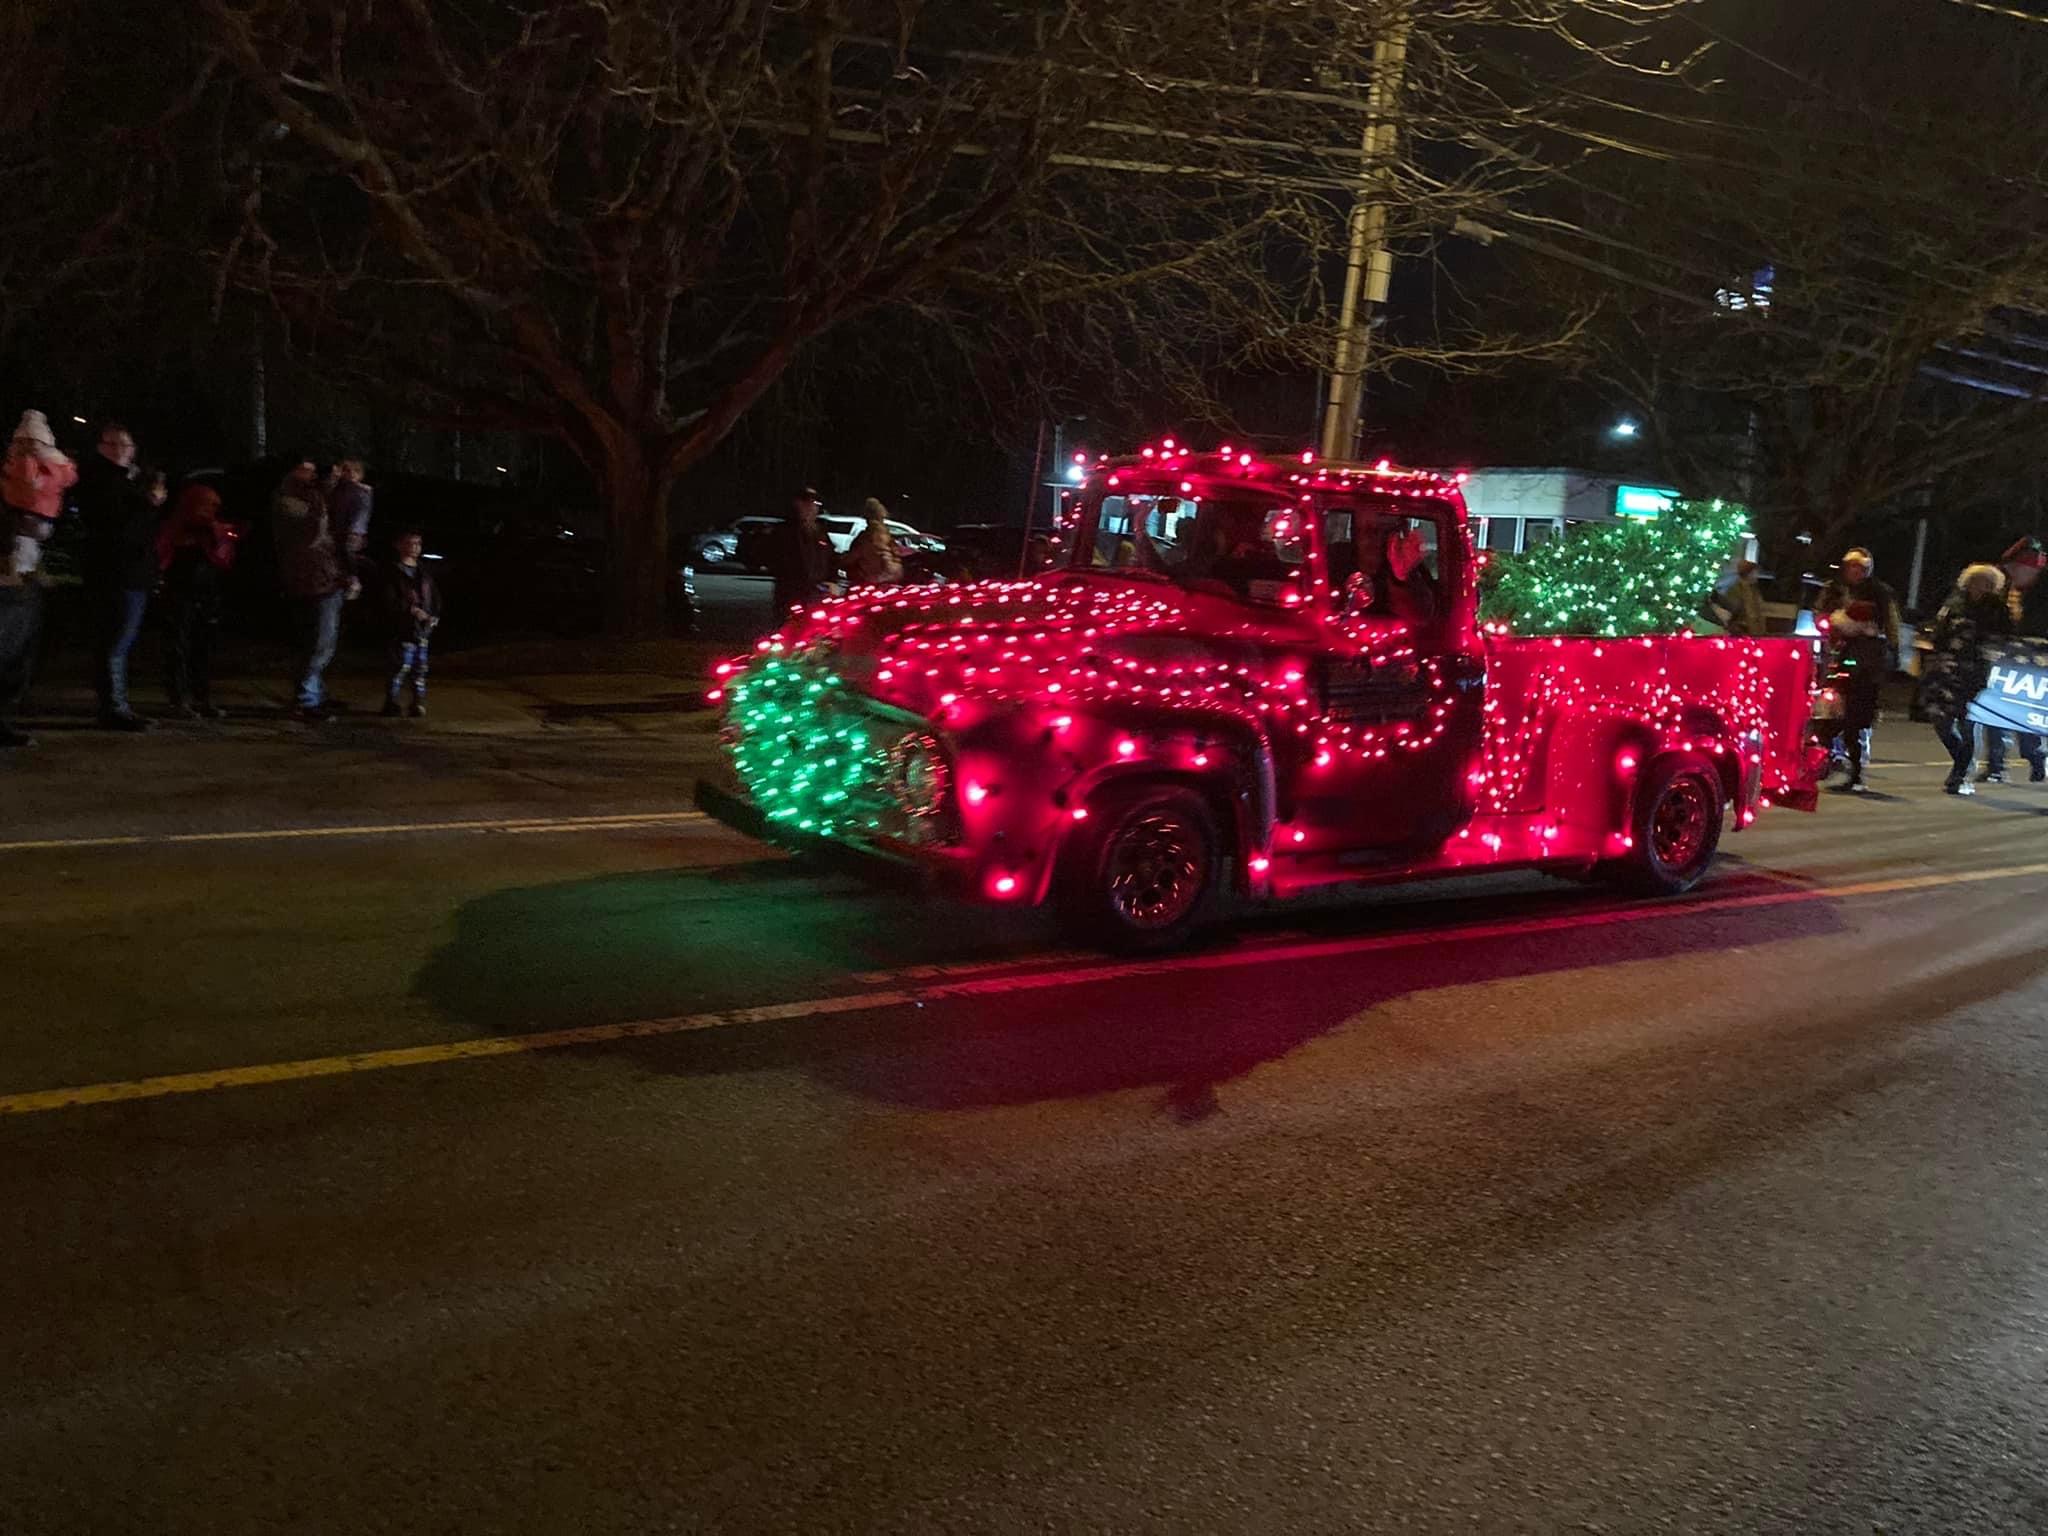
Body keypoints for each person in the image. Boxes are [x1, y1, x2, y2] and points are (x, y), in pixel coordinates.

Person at [76, 422, 161, 730]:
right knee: (115, 640)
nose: (122, 451)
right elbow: (120, 528)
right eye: (114, 445)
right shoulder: (103, 482)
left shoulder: (125, 480)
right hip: (116, 572)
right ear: (101, 447)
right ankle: (114, 707)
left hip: (129, 572)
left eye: (126, 445)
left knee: (118, 640)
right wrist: (149, 505)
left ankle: (116, 704)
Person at [0, 411, 78, 749]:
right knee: (7, 648)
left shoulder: (48, 471)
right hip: (9, 571)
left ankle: (6, 716)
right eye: (25, 442)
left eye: (37, 442)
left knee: (20, 651)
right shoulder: (10, 477)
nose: (31, 447)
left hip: (28, 568)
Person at [272, 457, 355, 720]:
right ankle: (305, 700)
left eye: (311, 469)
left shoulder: (315, 496)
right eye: (302, 469)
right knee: (317, 644)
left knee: (323, 643)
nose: (309, 474)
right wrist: (322, 498)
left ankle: (316, 693)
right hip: (309, 580)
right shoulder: (288, 500)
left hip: (326, 577)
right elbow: (311, 535)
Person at [1921, 564, 2011, 797]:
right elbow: (1939, 630)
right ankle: (1962, 759)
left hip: (1974, 671)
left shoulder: (1997, 609)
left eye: (1987, 583)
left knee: (1967, 721)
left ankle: (1959, 774)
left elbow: (2003, 638)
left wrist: (1979, 643)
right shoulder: (1954, 604)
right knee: (1940, 719)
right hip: (1947, 668)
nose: (1981, 586)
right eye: (1977, 580)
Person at [1814, 548, 1900, 793]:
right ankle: (1825, 759)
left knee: (1855, 718)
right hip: (1834, 655)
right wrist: (1829, 626)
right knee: (1824, 713)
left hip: (1865, 662)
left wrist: (1888, 650)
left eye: (1860, 567)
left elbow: (1890, 625)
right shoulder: (1833, 588)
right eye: (1851, 566)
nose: (1855, 571)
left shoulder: (1880, 592)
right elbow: (1820, 614)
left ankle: (1856, 771)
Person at [155, 482, 240, 719]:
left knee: (202, 648)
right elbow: (163, 558)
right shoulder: (174, 529)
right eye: (206, 504)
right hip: (180, 596)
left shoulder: (212, 530)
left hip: (206, 596)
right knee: (178, 648)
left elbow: (224, 558)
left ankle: (201, 697)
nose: (210, 510)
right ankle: (179, 699)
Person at [1981, 535, 2047, 784]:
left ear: (2031, 568)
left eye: (2015, 570)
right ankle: (1996, 766)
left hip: (2039, 662)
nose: (2011, 575)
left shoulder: (2041, 594)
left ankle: (2034, 754)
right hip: (2010, 659)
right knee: (1996, 708)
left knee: (2029, 714)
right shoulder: (2008, 592)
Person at [380, 528, 440, 718]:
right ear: (398, 545)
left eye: (418, 543)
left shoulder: (424, 572)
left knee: (420, 668)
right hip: (402, 630)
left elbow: (435, 597)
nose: (415, 547)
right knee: (400, 666)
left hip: (422, 630)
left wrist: (434, 615)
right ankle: (391, 701)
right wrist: (411, 611)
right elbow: (388, 600)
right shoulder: (392, 571)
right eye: (410, 543)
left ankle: (418, 702)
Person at [769, 487, 834, 618]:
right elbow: (775, 559)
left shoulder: (820, 532)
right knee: (789, 628)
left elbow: (830, 558)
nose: (811, 508)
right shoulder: (784, 531)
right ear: (797, 504)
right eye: (807, 503)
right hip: (791, 594)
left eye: (815, 504)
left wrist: (832, 580)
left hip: (816, 593)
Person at [843, 498, 904, 587]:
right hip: (888, 580)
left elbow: (853, 557)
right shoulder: (888, 537)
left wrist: (840, 561)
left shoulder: (866, 537)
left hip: (869, 581)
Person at [1710, 559, 1768, 637]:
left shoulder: (1753, 589)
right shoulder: (1737, 589)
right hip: (1744, 631)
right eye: (1755, 572)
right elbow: (1736, 610)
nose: (1757, 575)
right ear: (1748, 573)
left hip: (1755, 631)